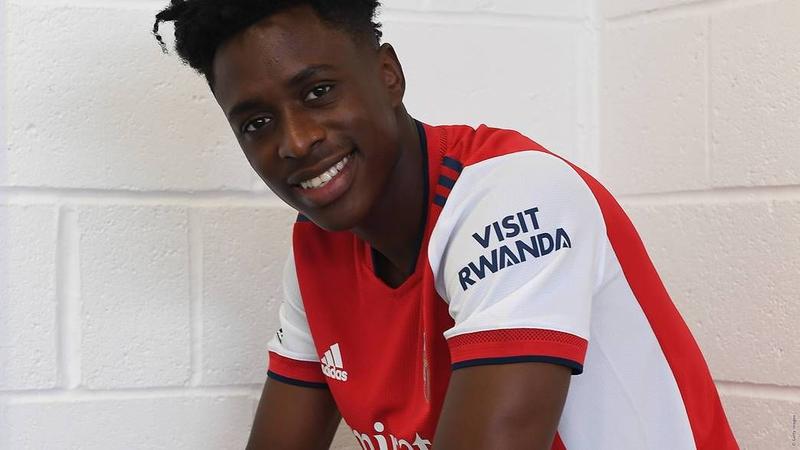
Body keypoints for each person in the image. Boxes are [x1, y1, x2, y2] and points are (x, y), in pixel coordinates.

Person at [153, 1, 738, 449]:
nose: (296, 141)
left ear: (388, 74)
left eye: (318, 92)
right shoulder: (316, 251)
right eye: (256, 124)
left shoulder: (514, 198)